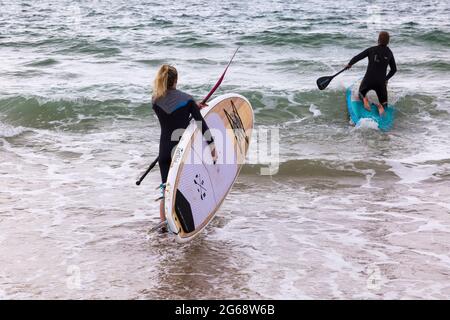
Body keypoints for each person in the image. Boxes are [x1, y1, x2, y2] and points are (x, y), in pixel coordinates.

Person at [152, 64, 216, 233]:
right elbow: (201, 124)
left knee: (166, 189)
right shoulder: (187, 99)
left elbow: (172, 110)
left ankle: (164, 226)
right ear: (176, 80)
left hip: (164, 151)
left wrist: (192, 105)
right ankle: (189, 223)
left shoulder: (155, 100)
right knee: (188, 188)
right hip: (182, 152)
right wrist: (212, 145)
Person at [345, 31, 397, 116]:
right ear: (388, 41)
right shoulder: (389, 53)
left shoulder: (371, 50)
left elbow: (357, 57)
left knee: (361, 93)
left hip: (368, 80)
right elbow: (394, 70)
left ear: (378, 40)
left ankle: (365, 100)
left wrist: (349, 64)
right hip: (381, 82)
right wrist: (386, 79)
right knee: (385, 104)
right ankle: (380, 106)